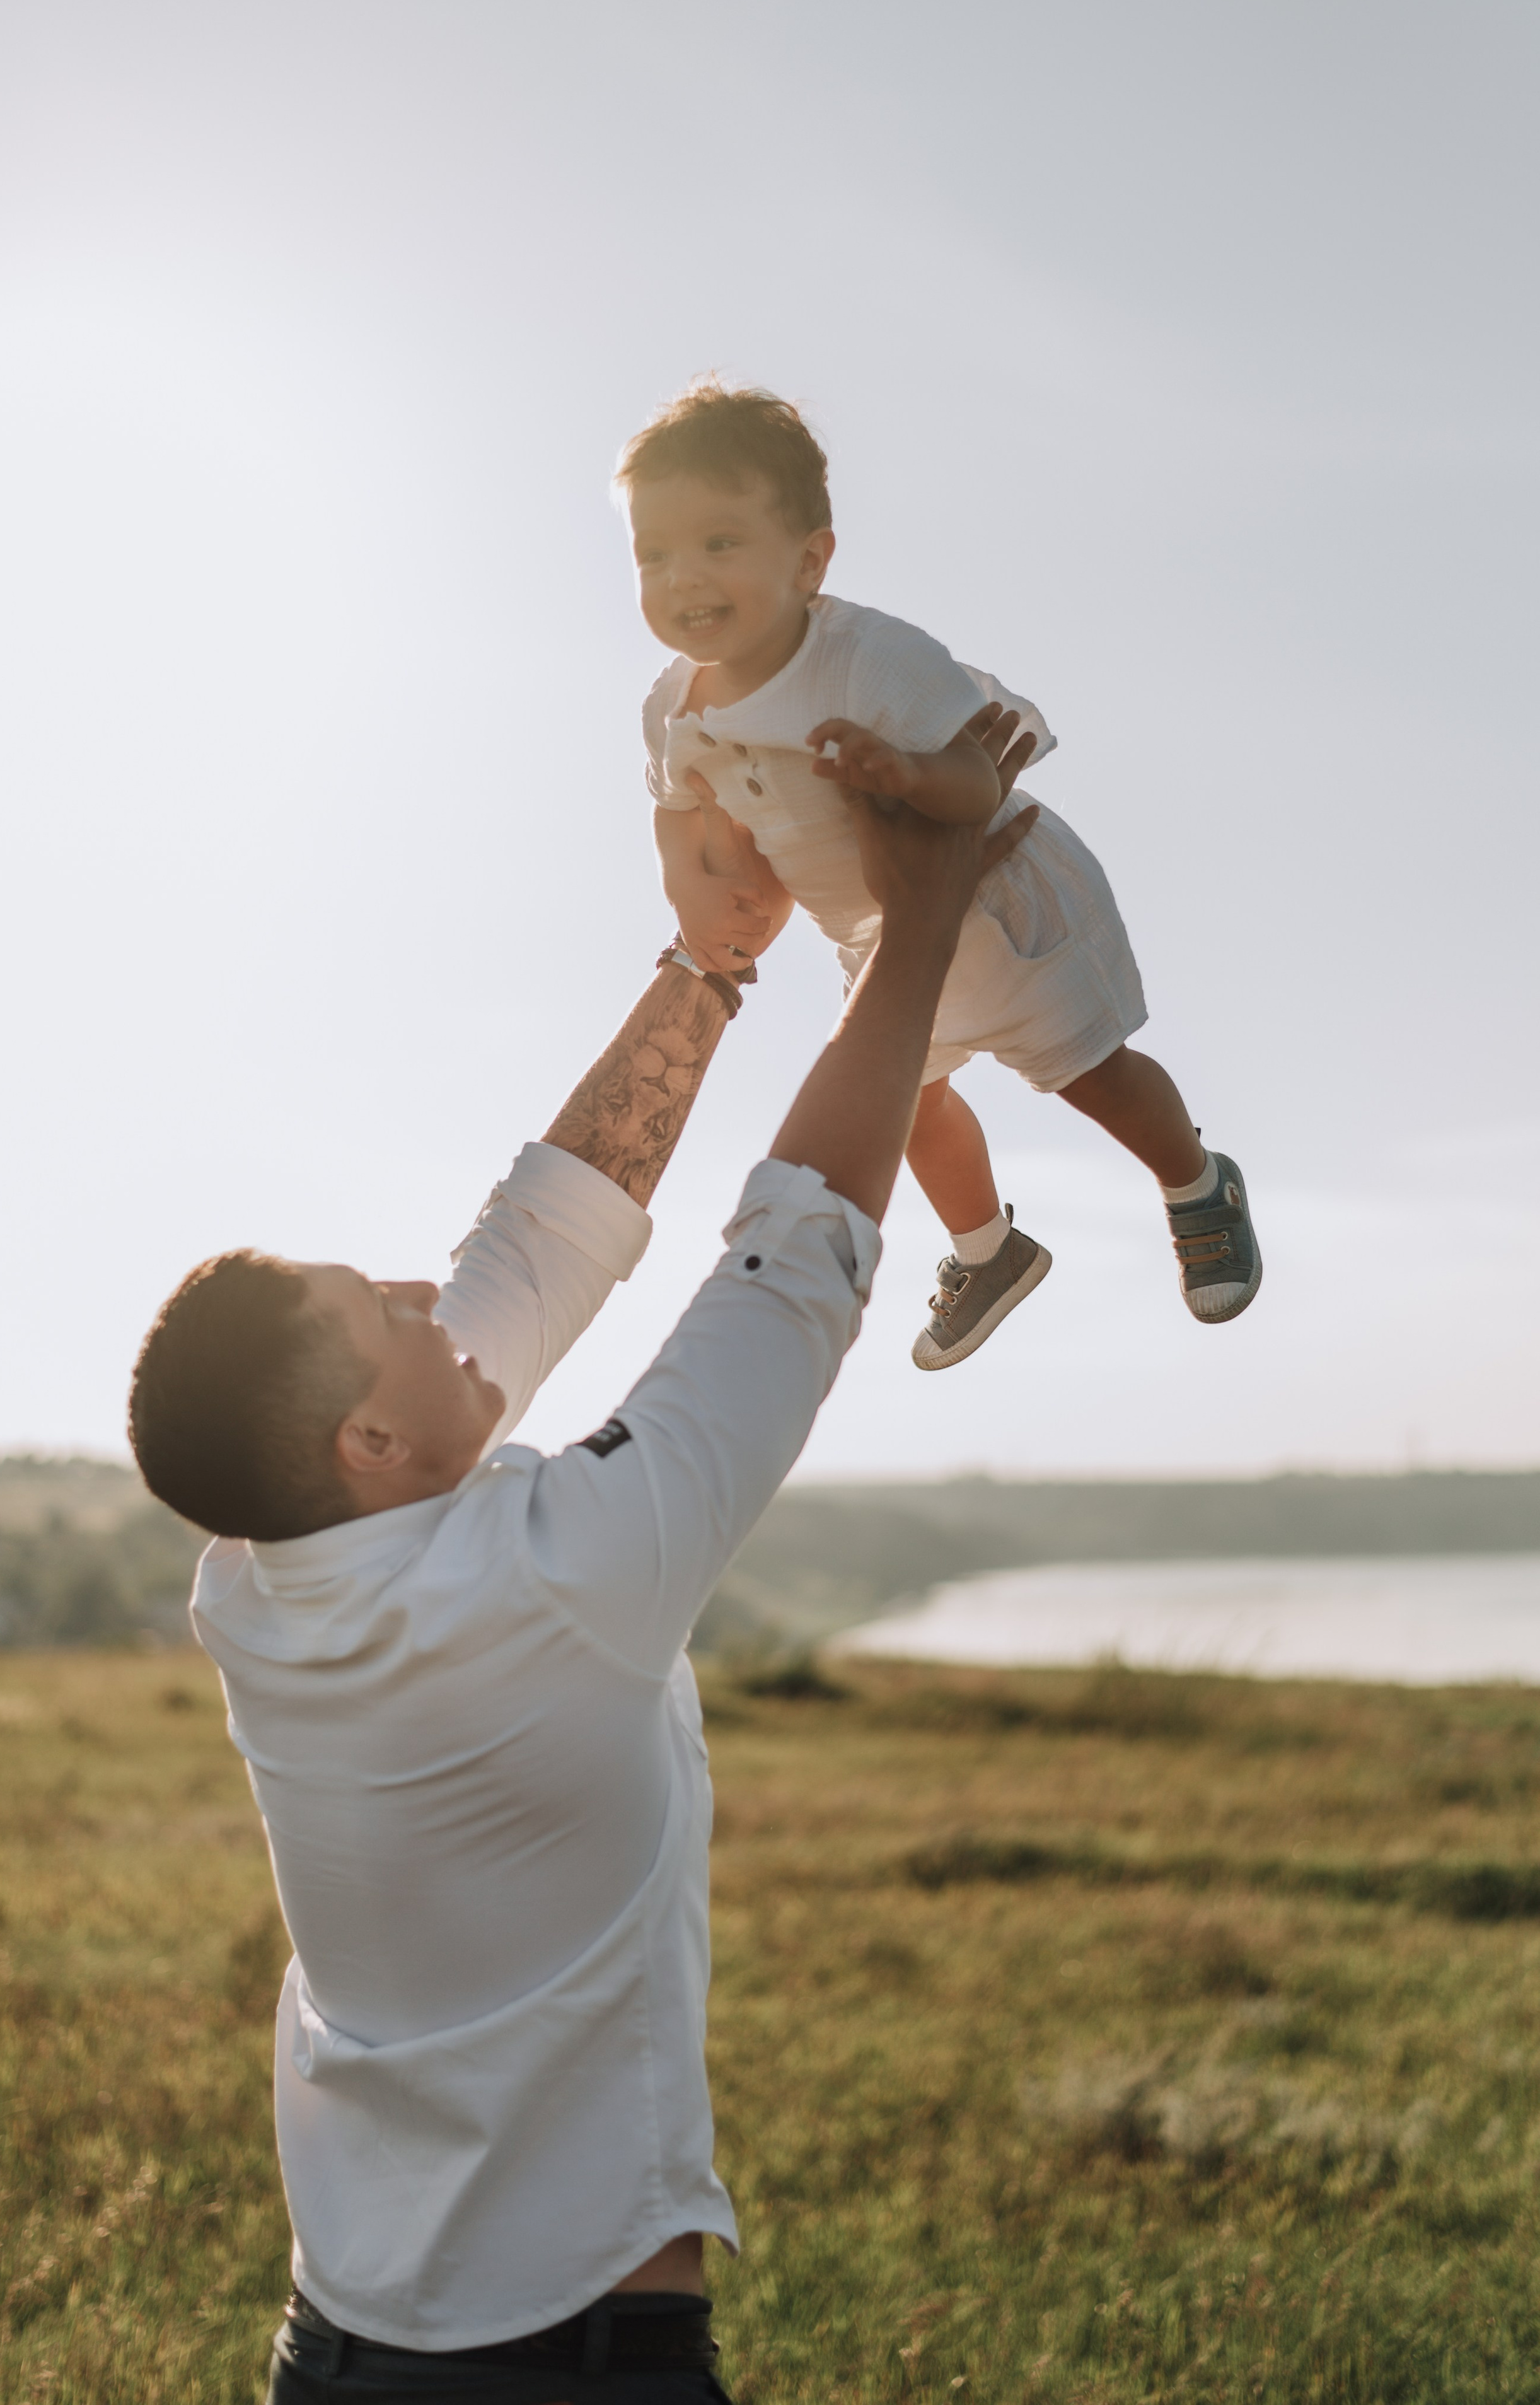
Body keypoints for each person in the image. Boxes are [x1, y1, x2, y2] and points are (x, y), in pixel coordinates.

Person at [125, 729, 1041, 2404]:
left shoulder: (259, 1582)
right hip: (575, 2370)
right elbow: (797, 1253)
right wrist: (915, 921)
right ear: (371, 1451)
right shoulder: (559, 1575)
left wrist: (713, 957)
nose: (423, 1290)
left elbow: (536, 1241)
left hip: (337, 2355)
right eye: (378, 1312)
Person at [620, 380, 1262, 1368]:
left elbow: (978, 775)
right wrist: (691, 890)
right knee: (905, 1104)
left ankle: (1197, 1183)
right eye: (653, 552)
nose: (683, 576)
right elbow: (677, 810)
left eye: (718, 543)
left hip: (998, 900)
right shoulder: (673, 706)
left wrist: (906, 772)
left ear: (810, 559)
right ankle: (989, 1251)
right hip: (878, 934)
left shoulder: (867, 658)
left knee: (1093, 1077)